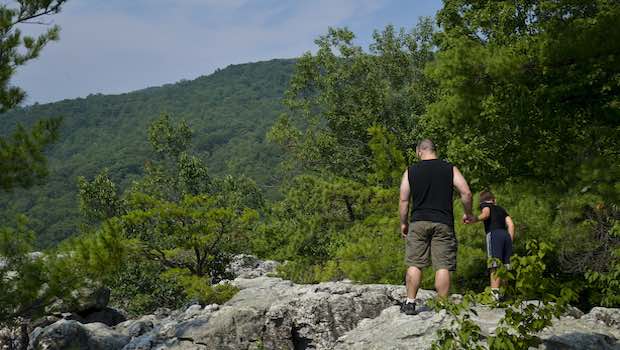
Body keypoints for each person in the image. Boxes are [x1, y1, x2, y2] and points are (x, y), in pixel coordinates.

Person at [399, 139, 473, 315]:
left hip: (418, 221)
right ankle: (441, 306)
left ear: (419, 151)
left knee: (415, 263)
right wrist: (468, 212)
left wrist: (403, 223)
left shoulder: (411, 171)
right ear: (435, 150)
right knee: (442, 265)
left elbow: (403, 199)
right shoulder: (449, 169)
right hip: (443, 222)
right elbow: (466, 192)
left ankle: (410, 302)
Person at [472, 190, 515, 300]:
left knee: (494, 266)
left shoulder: (485, 205)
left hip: (494, 235)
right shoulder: (501, 209)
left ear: (482, 201)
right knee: (505, 266)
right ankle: (505, 295)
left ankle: (494, 298)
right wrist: (510, 240)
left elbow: (486, 214)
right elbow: (511, 224)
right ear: (494, 200)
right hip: (506, 236)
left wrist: (475, 219)